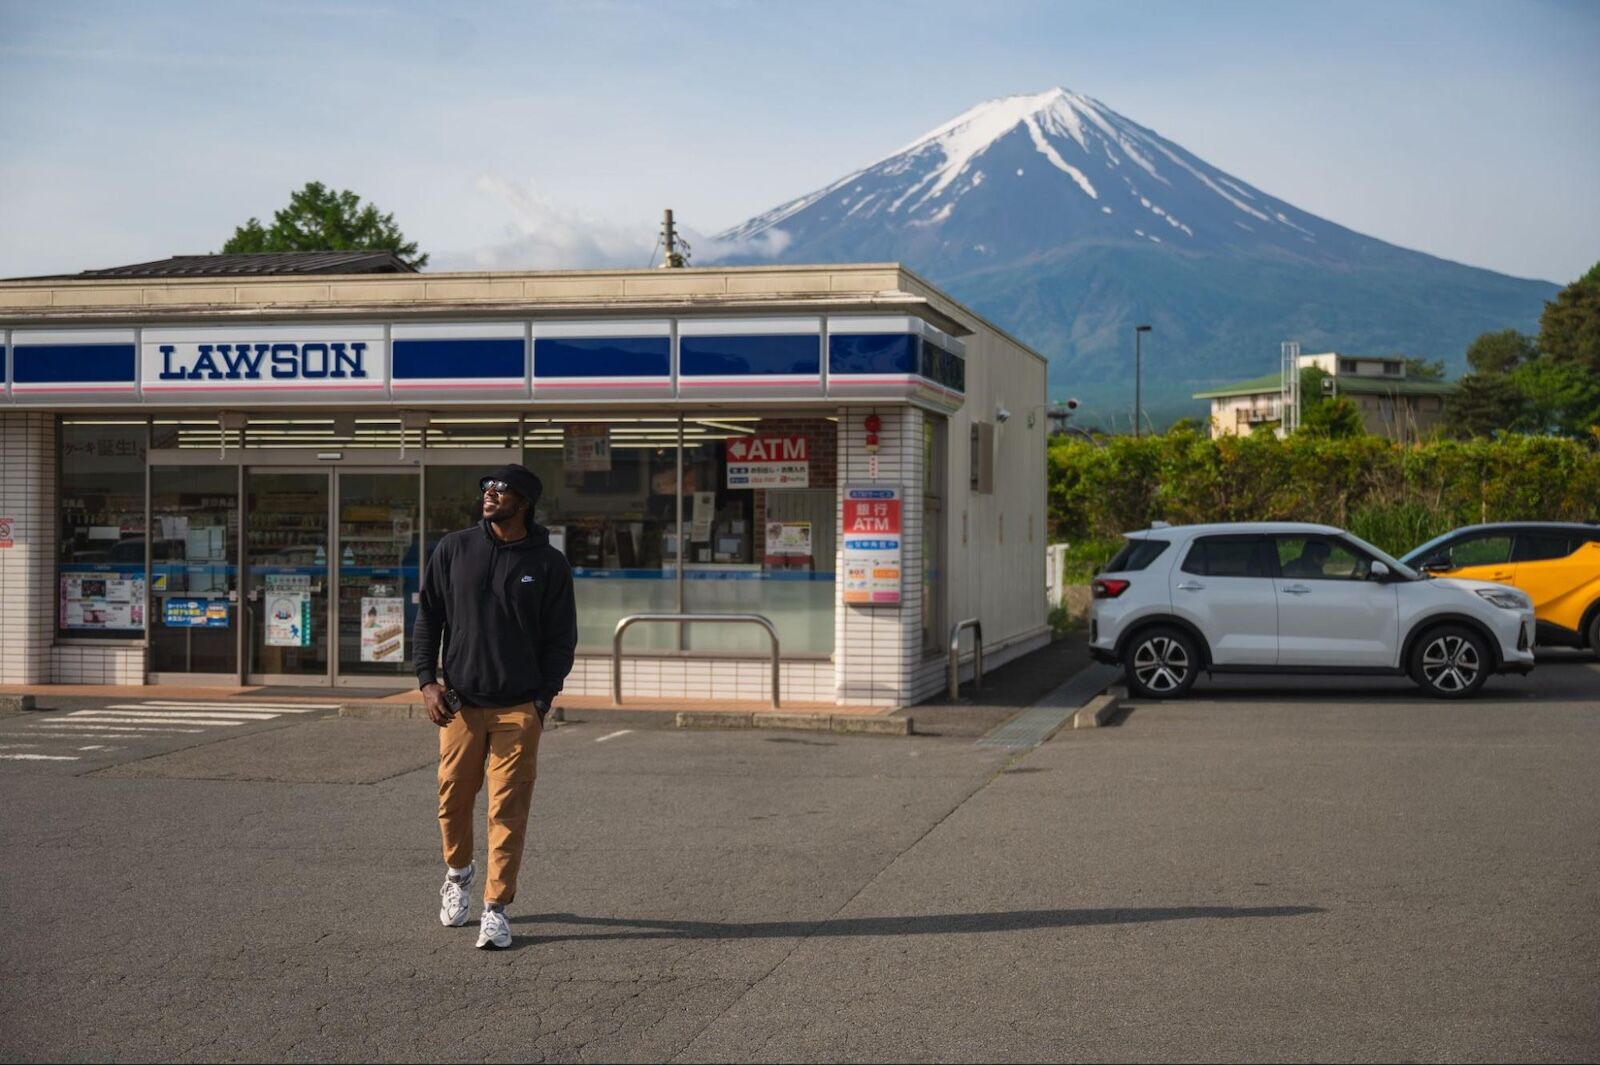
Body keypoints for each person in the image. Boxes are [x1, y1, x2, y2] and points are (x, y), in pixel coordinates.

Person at [412, 463, 577, 950]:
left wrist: (542, 700)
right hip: (460, 704)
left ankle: (495, 907)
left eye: (500, 489)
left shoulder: (548, 564)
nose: (489, 494)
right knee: (453, 800)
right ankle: (459, 874)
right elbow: (429, 620)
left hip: (517, 708)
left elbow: (561, 639)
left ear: (523, 501)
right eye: (486, 487)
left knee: (507, 808)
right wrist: (427, 683)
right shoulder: (454, 549)